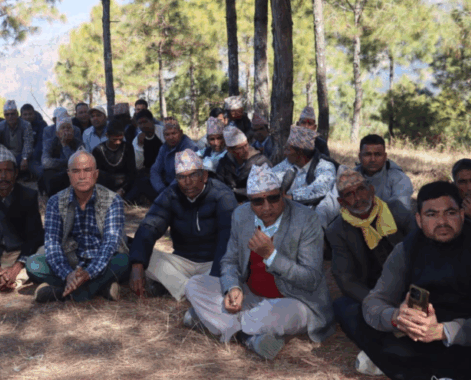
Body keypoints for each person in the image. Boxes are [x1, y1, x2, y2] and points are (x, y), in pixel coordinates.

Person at [341, 181, 471, 380]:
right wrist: (397, 319)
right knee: (347, 309)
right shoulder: (407, 248)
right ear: (418, 219)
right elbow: (376, 300)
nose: (442, 221)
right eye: (431, 214)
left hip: (468, 338)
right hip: (419, 334)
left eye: (450, 213)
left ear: (462, 215)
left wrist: (443, 331)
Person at [184, 164, 335, 360]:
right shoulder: (241, 215)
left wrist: (271, 256)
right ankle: (247, 337)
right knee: (194, 284)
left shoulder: (307, 219)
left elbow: (311, 279)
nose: (267, 207)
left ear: (283, 194)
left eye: (273, 198)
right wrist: (232, 288)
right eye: (257, 201)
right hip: (250, 295)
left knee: (269, 314)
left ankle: (211, 321)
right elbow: (229, 260)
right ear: (249, 201)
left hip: (295, 301)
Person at [326, 167, 415, 375]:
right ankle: (388, 348)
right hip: (371, 293)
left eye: (361, 190)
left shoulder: (395, 210)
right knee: (343, 307)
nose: (358, 198)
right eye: (349, 194)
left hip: (410, 286)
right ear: (341, 202)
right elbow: (346, 280)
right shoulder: (336, 230)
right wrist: (377, 304)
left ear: (372, 190)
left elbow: (422, 249)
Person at [129, 149, 237, 301]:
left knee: (233, 267)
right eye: (181, 177)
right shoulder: (171, 195)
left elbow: (227, 240)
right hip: (182, 262)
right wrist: (137, 264)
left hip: (212, 263)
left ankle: (187, 289)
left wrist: (214, 277)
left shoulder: (222, 195)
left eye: (193, 175)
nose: (187, 182)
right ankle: (192, 291)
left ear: (204, 176)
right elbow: (150, 226)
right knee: (141, 255)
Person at [27, 150, 128, 303]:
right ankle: (99, 288)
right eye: (76, 171)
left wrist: (88, 273)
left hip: (102, 262)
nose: (82, 176)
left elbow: (109, 244)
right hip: (70, 260)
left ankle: (63, 292)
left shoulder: (113, 200)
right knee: (32, 264)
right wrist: (68, 274)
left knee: (123, 261)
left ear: (96, 174)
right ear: (69, 175)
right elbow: (53, 244)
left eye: (87, 170)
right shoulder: (55, 202)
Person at [0, 145, 45, 293]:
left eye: (8, 171)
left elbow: (34, 237)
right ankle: (7, 277)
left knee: (44, 251)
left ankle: (5, 278)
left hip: (20, 255)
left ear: (16, 173)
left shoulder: (28, 196)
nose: (3, 176)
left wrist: (17, 266)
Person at [271, 126, 336, 207]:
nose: (285, 153)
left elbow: (320, 188)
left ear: (300, 152)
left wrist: (291, 197)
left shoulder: (325, 166)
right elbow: (272, 175)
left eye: (288, 149)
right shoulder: (289, 162)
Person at [355, 134, 414, 212]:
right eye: (367, 154)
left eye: (377, 155)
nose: (373, 159)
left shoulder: (399, 179)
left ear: (385, 157)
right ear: (360, 157)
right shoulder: (351, 176)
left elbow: (402, 210)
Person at [215, 126, 270, 202]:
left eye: (246, 145)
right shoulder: (224, 163)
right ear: (230, 150)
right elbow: (219, 187)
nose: (245, 150)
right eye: (240, 148)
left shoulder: (261, 162)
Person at [150, 120, 198, 195]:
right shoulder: (164, 147)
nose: (171, 137)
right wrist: (161, 189)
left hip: (185, 187)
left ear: (181, 132)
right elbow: (155, 170)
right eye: (167, 134)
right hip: (167, 187)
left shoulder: (189, 147)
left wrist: (168, 192)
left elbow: (183, 175)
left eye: (174, 133)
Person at [92, 121, 137, 198]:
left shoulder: (127, 147)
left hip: (126, 185)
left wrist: (123, 189)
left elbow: (132, 172)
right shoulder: (98, 150)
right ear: (107, 136)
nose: (118, 142)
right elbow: (97, 175)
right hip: (105, 186)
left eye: (120, 139)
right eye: (115, 140)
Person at [42, 116, 83, 197]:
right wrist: (66, 162)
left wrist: (65, 145)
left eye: (69, 128)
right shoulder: (50, 142)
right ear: (57, 133)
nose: (66, 130)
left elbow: (78, 163)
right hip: (55, 171)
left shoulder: (78, 143)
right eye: (63, 128)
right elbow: (45, 162)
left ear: (73, 132)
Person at [0, 100, 34, 173]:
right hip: (4, 155)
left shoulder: (26, 125)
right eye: (7, 114)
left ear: (17, 114)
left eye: (12, 114)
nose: (10, 117)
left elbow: (28, 142)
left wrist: (25, 158)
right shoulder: (0, 126)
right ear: (4, 116)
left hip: (21, 154)